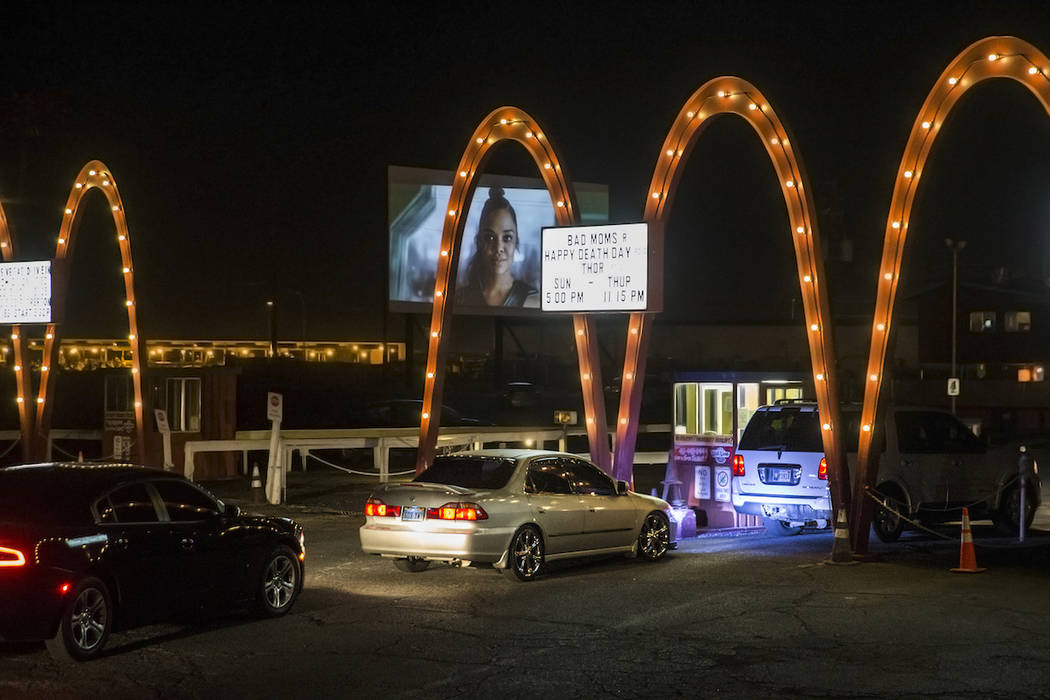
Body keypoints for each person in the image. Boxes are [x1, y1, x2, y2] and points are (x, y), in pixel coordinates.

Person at [458, 187, 538, 307]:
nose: (499, 248)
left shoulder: (534, 300)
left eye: (507, 238)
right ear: (480, 241)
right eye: (490, 238)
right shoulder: (460, 299)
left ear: (516, 241)